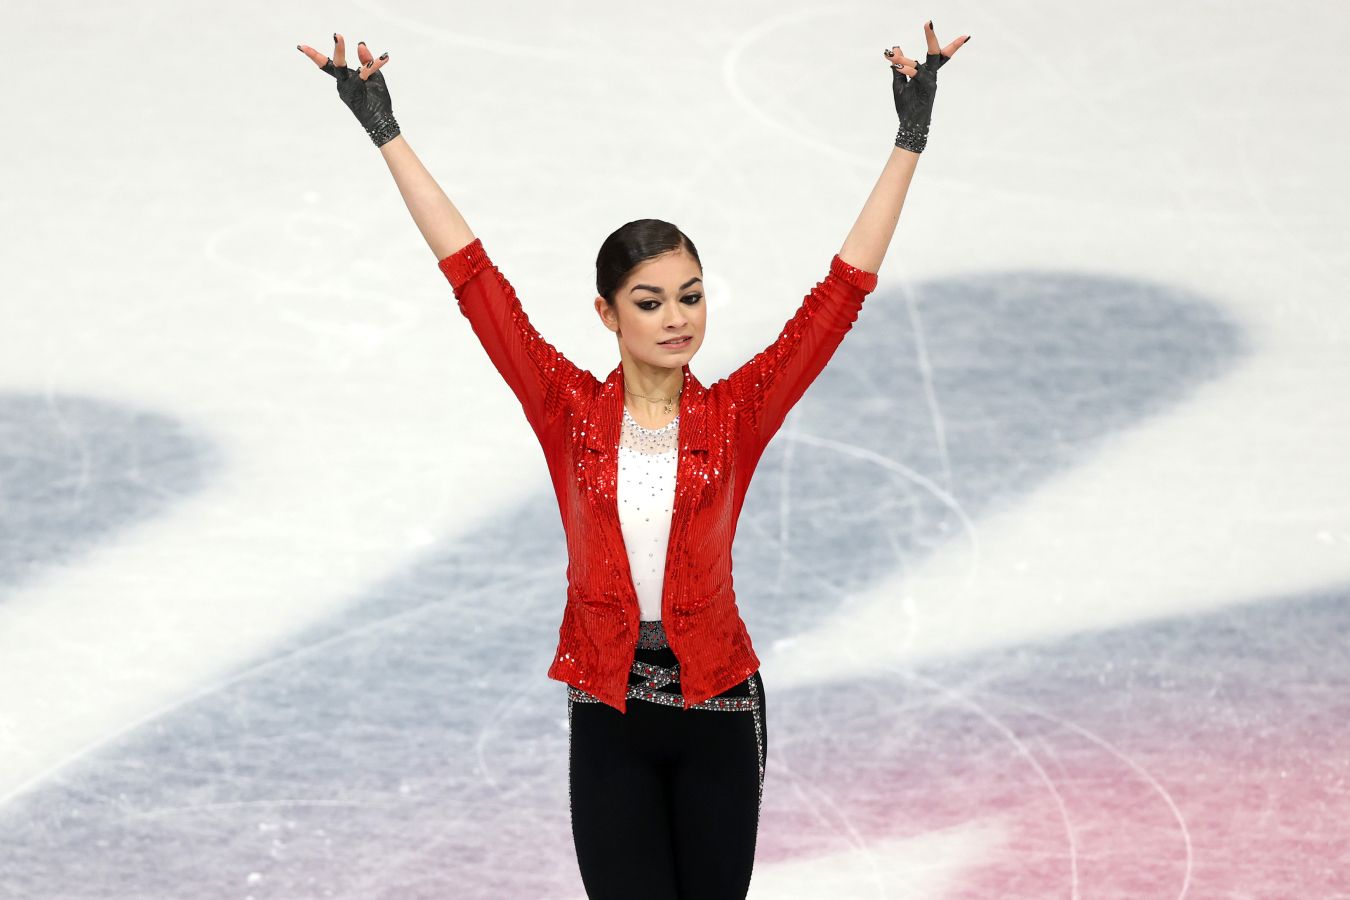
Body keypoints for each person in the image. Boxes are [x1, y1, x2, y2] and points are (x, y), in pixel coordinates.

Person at [297, 21, 968, 899]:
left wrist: (910, 136)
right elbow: (473, 277)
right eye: (649, 302)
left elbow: (841, 294)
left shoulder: (737, 413)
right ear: (608, 314)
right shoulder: (567, 409)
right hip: (609, 710)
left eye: (691, 296)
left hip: (720, 706)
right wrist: (384, 128)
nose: (677, 318)